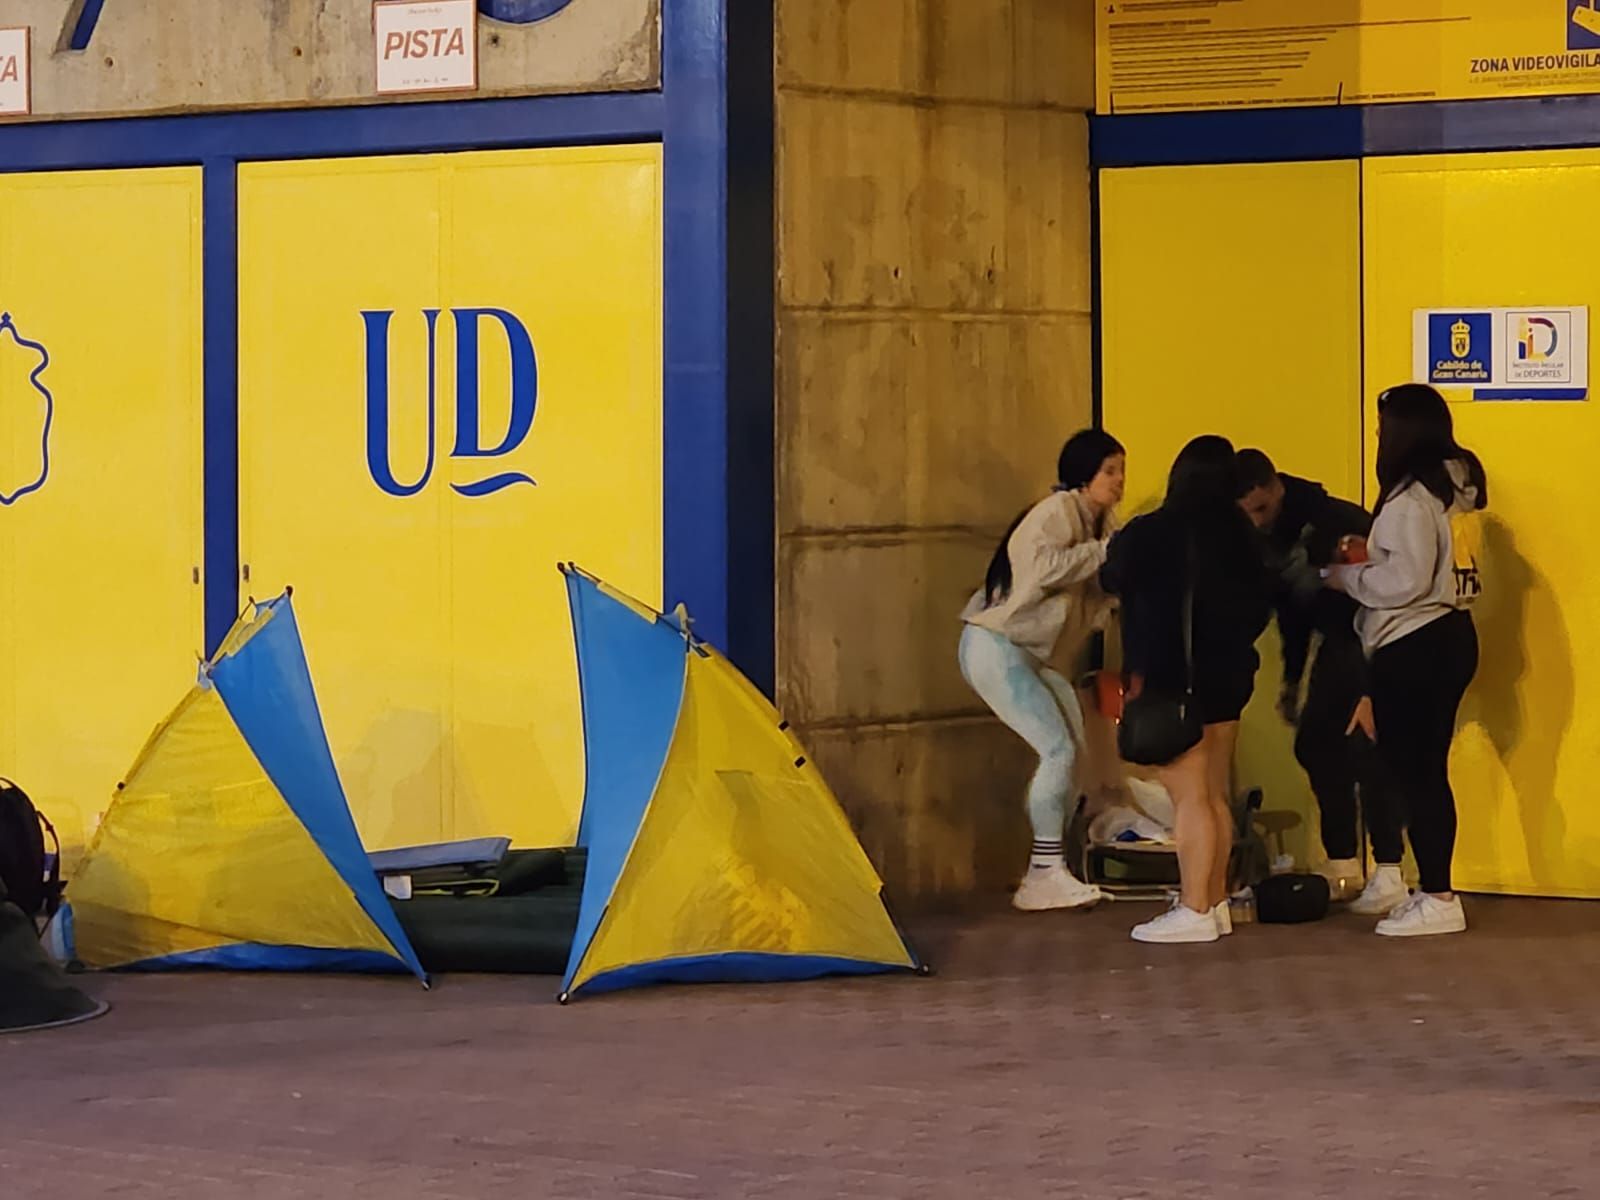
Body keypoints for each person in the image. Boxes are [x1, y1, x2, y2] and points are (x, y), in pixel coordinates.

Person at [1326, 383, 1487, 937]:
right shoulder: (1454, 490)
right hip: (1451, 635)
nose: (1377, 437)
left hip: (1415, 643)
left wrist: (1345, 576)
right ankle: (1431, 889)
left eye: (1382, 428)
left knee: (1418, 773)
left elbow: (1407, 579)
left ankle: (1439, 895)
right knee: (1426, 770)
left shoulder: (1412, 496)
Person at [1101, 436, 1272, 944]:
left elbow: (1112, 577)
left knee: (1190, 799)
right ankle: (1214, 899)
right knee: (1215, 795)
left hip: (1175, 679)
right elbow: (1262, 604)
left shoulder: (1151, 531)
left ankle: (1196, 908)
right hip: (1229, 678)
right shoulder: (1242, 534)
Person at [958, 429, 1126, 912]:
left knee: (1074, 750)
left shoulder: (1098, 524)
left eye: (1121, 472)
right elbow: (1042, 571)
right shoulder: (1057, 512)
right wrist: (1106, 553)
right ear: (1083, 473)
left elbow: (1091, 600)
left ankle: (1058, 864)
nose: (1118, 482)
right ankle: (1043, 873)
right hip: (995, 647)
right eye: (1109, 471)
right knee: (1057, 749)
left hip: (1028, 656)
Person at [1235, 450, 1405, 912]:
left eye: (1261, 509)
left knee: (1366, 746)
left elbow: (1384, 595)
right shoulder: (1272, 538)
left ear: (1276, 487)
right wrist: (1292, 680)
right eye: (1246, 514)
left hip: (1377, 638)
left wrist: (1372, 687)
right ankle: (1344, 861)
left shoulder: (1336, 522)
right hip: (1337, 642)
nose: (1256, 521)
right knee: (1315, 744)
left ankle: (1389, 868)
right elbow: (1293, 613)